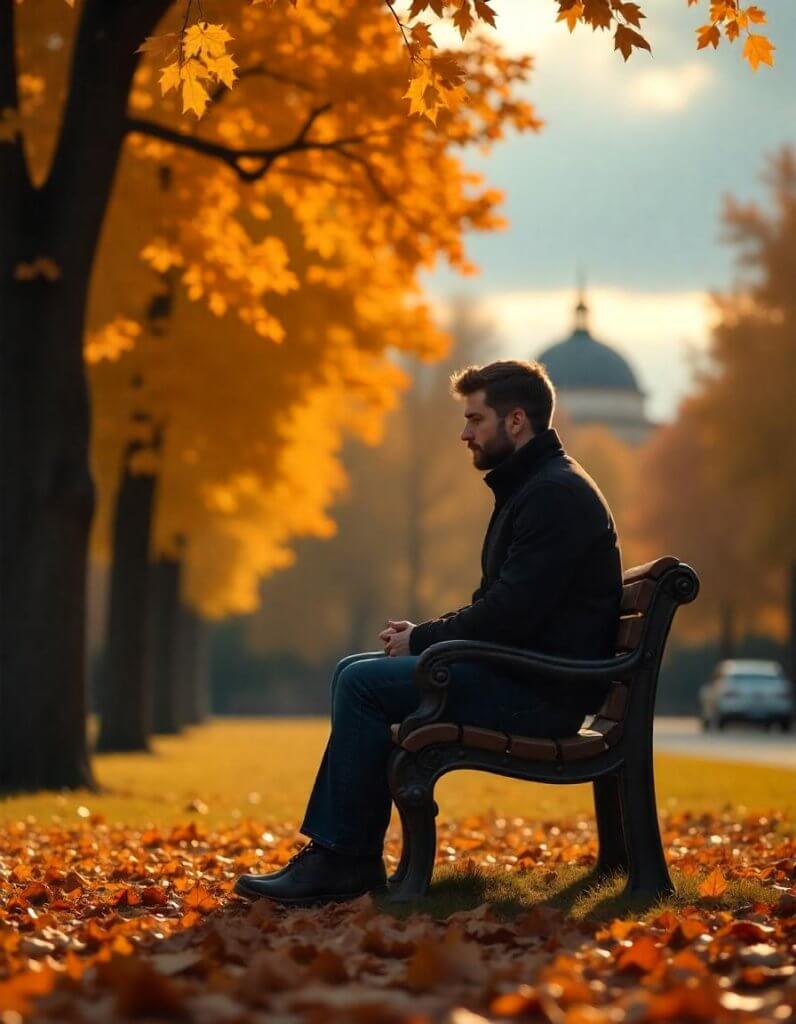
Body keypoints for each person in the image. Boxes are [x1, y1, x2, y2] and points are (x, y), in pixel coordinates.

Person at [234, 360, 622, 905]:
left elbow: (510, 611)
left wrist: (424, 640)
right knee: (355, 670)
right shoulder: (538, 486)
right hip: (529, 678)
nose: (464, 433)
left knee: (361, 684)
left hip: (540, 696)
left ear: (515, 422)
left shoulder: (553, 494)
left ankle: (342, 860)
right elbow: (508, 607)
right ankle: (345, 856)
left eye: (475, 419)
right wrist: (428, 636)